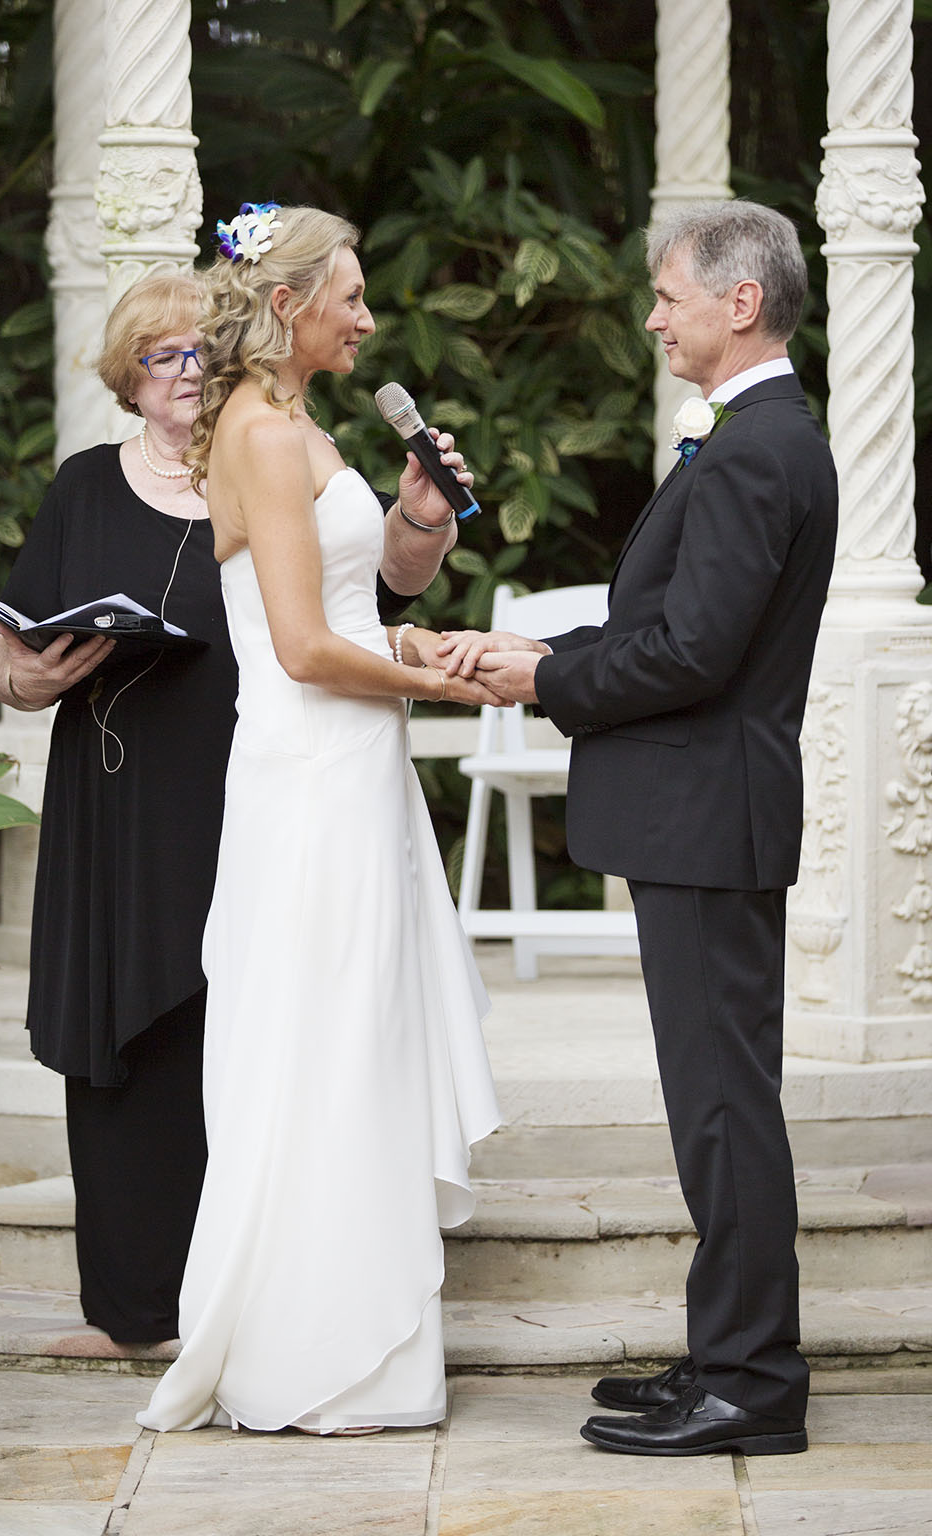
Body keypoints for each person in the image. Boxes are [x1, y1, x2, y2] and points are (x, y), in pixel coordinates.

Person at [0, 271, 472, 1347]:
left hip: (259, 785)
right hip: (120, 800)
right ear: (130, 377)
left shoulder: (271, 452)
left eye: (204, 350)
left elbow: (372, 597)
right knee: (131, 1041)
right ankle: (136, 1305)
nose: (188, 373)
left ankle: (254, 1287)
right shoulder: (84, 488)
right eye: (163, 356)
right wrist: (26, 677)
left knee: (249, 1034)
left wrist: (422, 521)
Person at [440, 201, 837, 1456]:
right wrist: (542, 649)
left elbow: (697, 654)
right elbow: (671, 628)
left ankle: (754, 1385)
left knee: (723, 1108)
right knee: (712, 1103)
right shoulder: (750, 437)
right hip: (700, 813)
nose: (653, 315)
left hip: (706, 815)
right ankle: (725, 1355)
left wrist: (542, 686)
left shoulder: (760, 446)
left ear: (739, 302)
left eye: (669, 295)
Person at [137, 203, 500, 1436]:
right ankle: (317, 1355)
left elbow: (364, 595)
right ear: (288, 305)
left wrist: (416, 520)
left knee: (364, 1037)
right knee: (323, 1043)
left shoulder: (300, 421)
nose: (369, 317)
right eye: (350, 296)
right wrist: (442, 677)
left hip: (356, 773)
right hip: (312, 774)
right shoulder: (262, 432)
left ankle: (370, 1346)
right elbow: (297, 649)